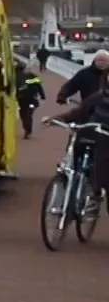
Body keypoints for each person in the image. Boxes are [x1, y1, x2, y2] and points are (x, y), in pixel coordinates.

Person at [46, 87, 109, 215]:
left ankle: (95, 194)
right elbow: (79, 112)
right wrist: (56, 119)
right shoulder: (98, 97)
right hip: (92, 136)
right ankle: (72, 196)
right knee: (77, 160)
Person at [17, 62, 44, 138]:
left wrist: (43, 96)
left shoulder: (34, 77)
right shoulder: (17, 77)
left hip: (31, 99)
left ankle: (28, 130)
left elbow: (39, 86)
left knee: (28, 115)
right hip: (21, 100)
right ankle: (26, 128)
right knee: (23, 115)